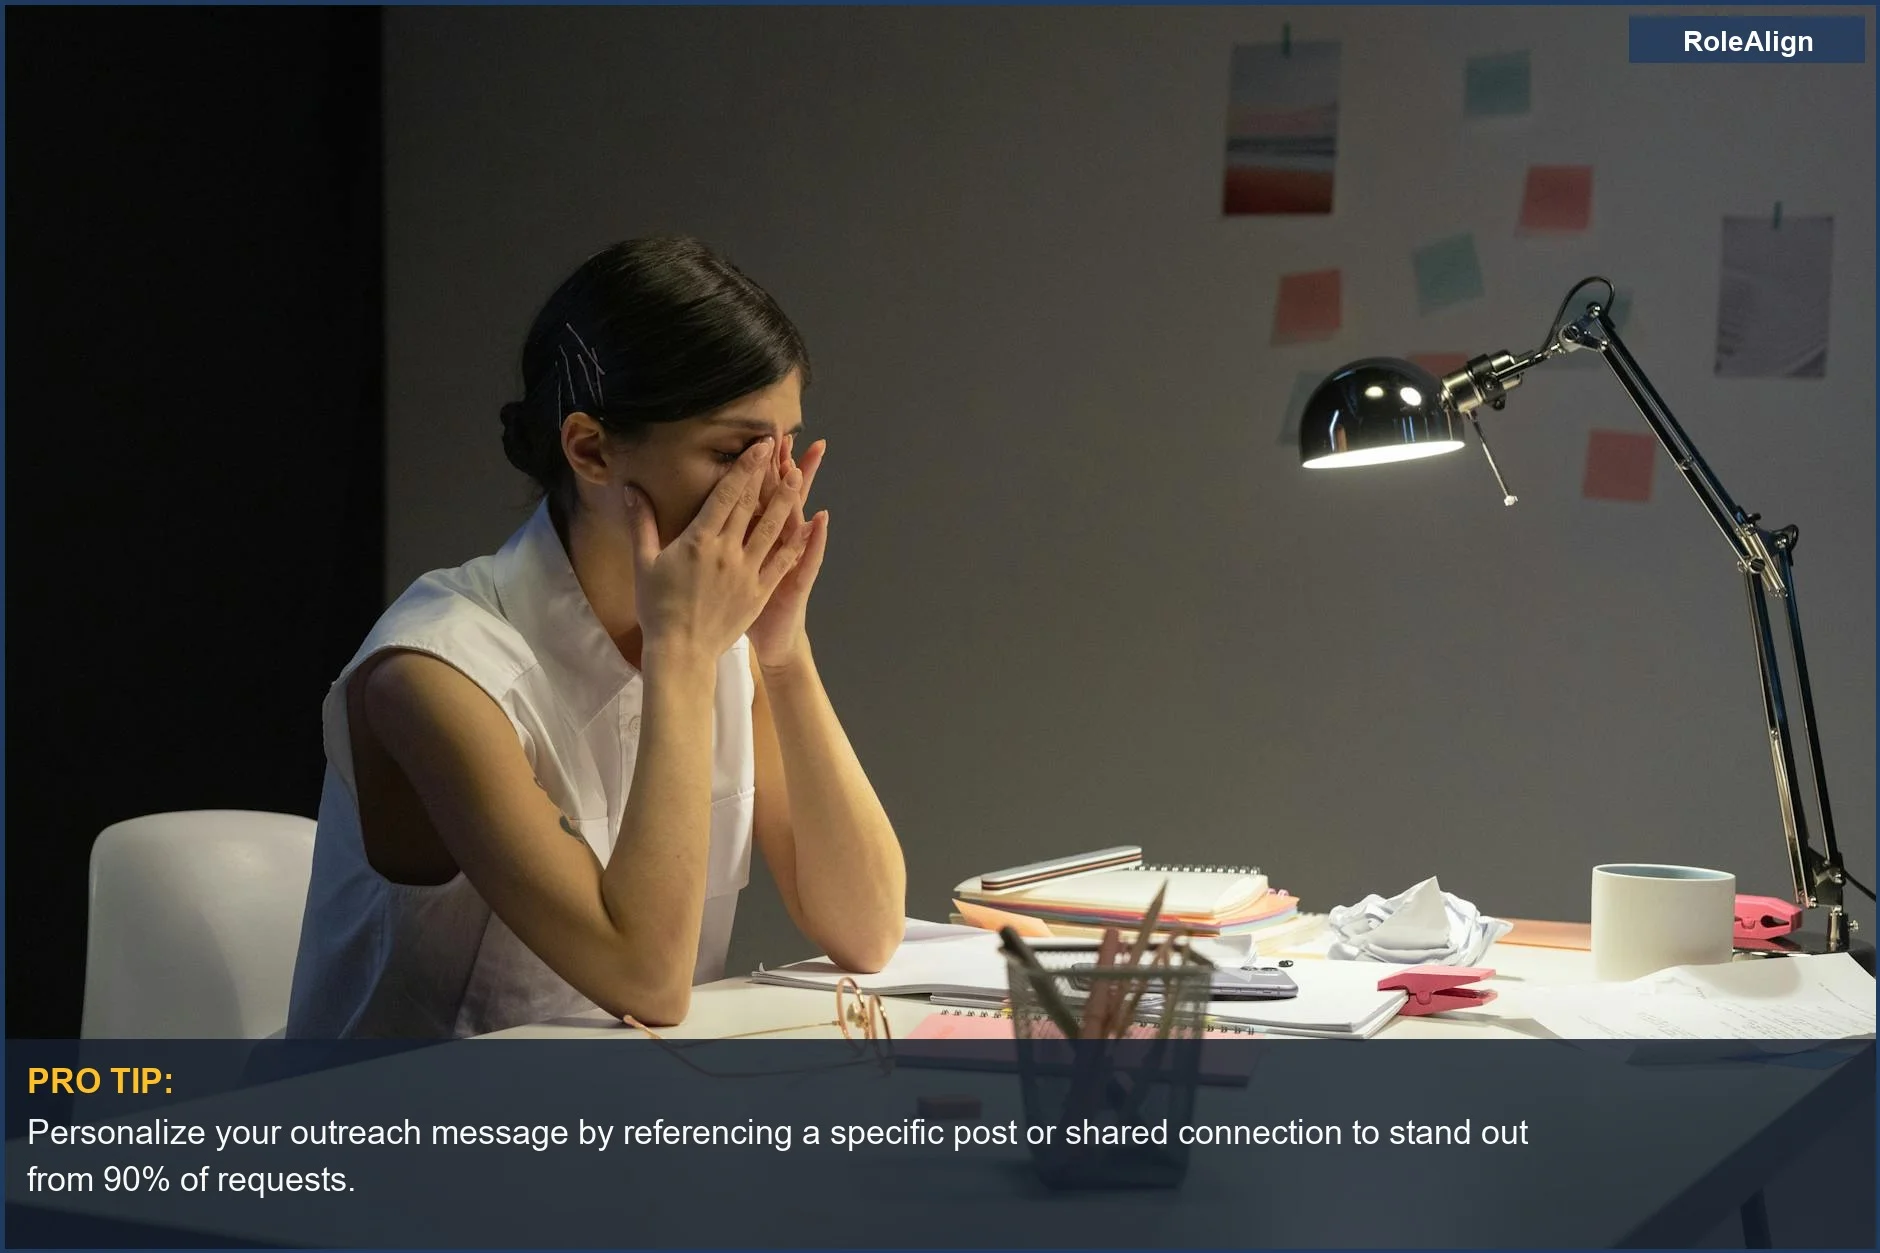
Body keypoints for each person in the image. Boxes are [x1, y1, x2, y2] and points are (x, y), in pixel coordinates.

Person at [287, 236, 906, 1038]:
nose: (775, 488)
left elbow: (867, 928)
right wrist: (678, 657)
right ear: (590, 448)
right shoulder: (432, 672)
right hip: (401, 1140)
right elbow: (645, 980)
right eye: (732, 451)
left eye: (784, 448)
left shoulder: (723, 642)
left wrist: (785, 654)